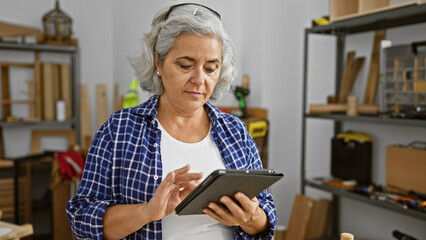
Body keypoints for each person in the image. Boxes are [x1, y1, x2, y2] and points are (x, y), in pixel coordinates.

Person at [66, 2, 277, 240]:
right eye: (185, 65)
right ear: (159, 62)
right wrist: (146, 212)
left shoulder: (236, 131)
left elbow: (266, 217)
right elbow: (82, 219)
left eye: (210, 69)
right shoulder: (118, 131)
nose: (199, 80)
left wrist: (250, 218)